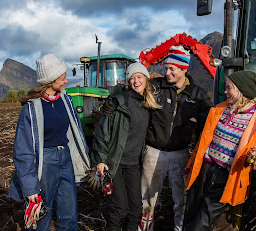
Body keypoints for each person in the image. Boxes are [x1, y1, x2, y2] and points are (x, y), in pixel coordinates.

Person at [183, 70, 256, 231]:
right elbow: (203, 141)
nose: (225, 91)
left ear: (242, 91)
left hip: (225, 176)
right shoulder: (220, 109)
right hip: (204, 169)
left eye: (229, 88)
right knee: (190, 214)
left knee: (202, 222)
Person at [9, 54, 90, 230]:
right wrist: (30, 187)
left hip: (65, 158)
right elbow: (22, 150)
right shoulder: (31, 108)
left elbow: (76, 133)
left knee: (69, 214)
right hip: (45, 163)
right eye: (62, 78)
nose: (66, 81)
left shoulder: (65, 100)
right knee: (42, 216)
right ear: (51, 80)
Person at [140, 46, 212, 231]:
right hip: (154, 151)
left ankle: (180, 229)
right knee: (147, 201)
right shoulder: (155, 87)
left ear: (184, 69)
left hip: (180, 154)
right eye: (166, 68)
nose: (167, 72)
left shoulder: (198, 95)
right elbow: (133, 92)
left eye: (172, 68)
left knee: (181, 199)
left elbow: (209, 123)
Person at [91, 62, 161, 231]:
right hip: (115, 163)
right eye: (132, 78)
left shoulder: (148, 103)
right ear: (128, 81)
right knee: (119, 209)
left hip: (133, 165)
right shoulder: (119, 102)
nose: (136, 81)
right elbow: (102, 132)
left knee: (136, 209)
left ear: (146, 79)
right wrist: (100, 160)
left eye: (139, 77)